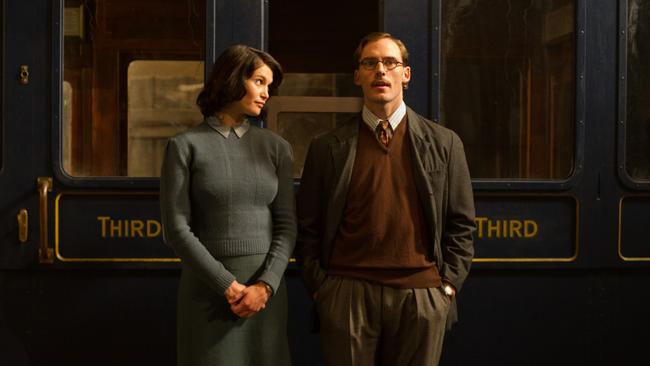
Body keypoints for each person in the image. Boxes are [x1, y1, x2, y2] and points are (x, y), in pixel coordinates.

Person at [297, 32, 476, 366]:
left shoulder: (445, 143)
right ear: (358, 76)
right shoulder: (327, 147)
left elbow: (461, 224)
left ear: (405, 74)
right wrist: (323, 290)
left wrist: (446, 287)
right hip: (347, 294)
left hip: (421, 296)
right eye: (370, 63)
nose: (381, 70)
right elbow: (308, 226)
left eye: (390, 62)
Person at [160, 45, 296, 366]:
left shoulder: (277, 148)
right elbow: (176, 229)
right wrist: (228, 286)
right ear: (234, 79)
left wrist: (265, 286)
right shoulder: (184, 146)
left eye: (269, 86)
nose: (266, 94)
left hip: (266, 295)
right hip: (207, 293)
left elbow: (287, 225)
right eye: (260, 82)